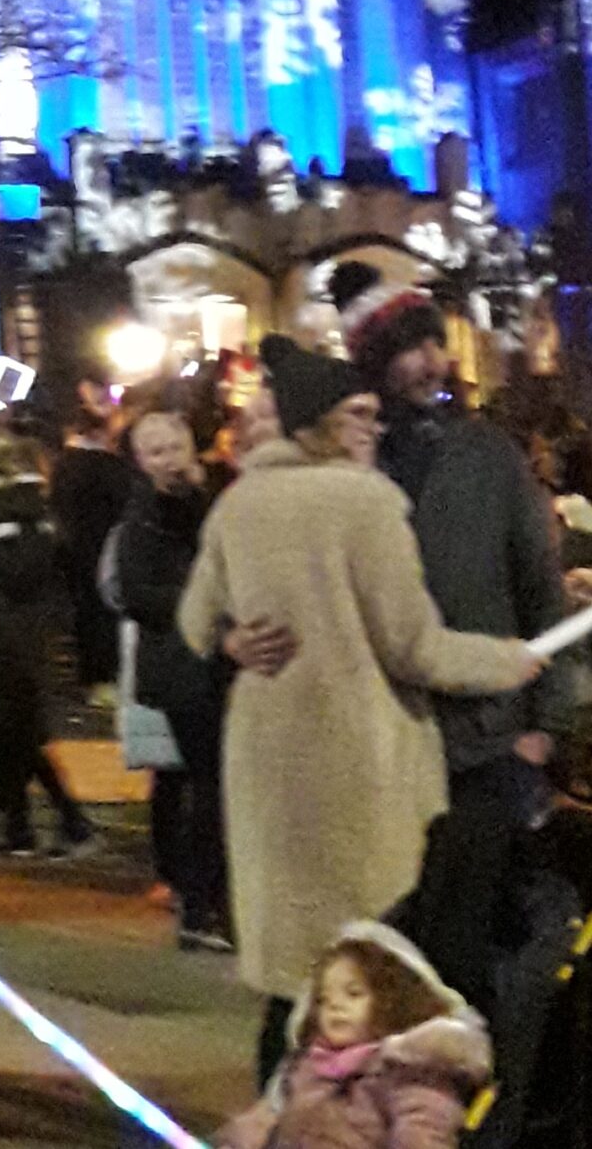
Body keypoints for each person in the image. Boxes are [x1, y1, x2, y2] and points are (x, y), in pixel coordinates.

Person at [176, 335, 541, 1085]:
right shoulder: (367, 503)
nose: (374, 427)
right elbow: (414, 649)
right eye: (357, 414)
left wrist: (232, 639)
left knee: (295, 981)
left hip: (269, 764)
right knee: (368, 974)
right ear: (317, 424)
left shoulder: (239, 501)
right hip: (356, 767)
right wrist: (509, 660)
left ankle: (276, 1117)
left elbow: (191, 619)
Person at [332, 269, 570, 1022]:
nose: (430, 361)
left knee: (476, 941)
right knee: (402, 941)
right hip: (390, 741)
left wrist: (544, 725)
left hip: (490, 736)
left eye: (434, 342)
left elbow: (541, 590)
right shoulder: (352, 467)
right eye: (408, 349)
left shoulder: (487, 454)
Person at [113, 402, 230, 948]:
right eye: (155, 452)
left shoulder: (212, 499)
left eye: (174, 448)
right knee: (206, 784)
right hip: (184, 667)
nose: (167, 461)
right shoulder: (140, 517)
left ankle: (204, 899)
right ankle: (202, 905)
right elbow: (139, 595)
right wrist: (204, 604)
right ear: (140, 460)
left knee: (207, 783)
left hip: (215, 663)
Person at [217, 924, 490, 1149]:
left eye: (353, 994)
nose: (336, 1005)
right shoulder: (308, 1066)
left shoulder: (410, 1071)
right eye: (324, 999)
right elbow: (267, 1117)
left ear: (392, 999)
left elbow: (422, 1134)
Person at [0, 434, 95, 859]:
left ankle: (66, 820)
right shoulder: (42, 513)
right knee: (19, 729)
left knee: (3, 731)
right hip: (34, 633)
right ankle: (23, 825)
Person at [49, 389, 136, 694]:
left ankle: (91, 676)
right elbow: (126, 503)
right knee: (104, 614)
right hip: (103, 546)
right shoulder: (106, 466)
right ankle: (104, 676)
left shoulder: (62, 464)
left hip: (73, 547)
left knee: (84, 611)